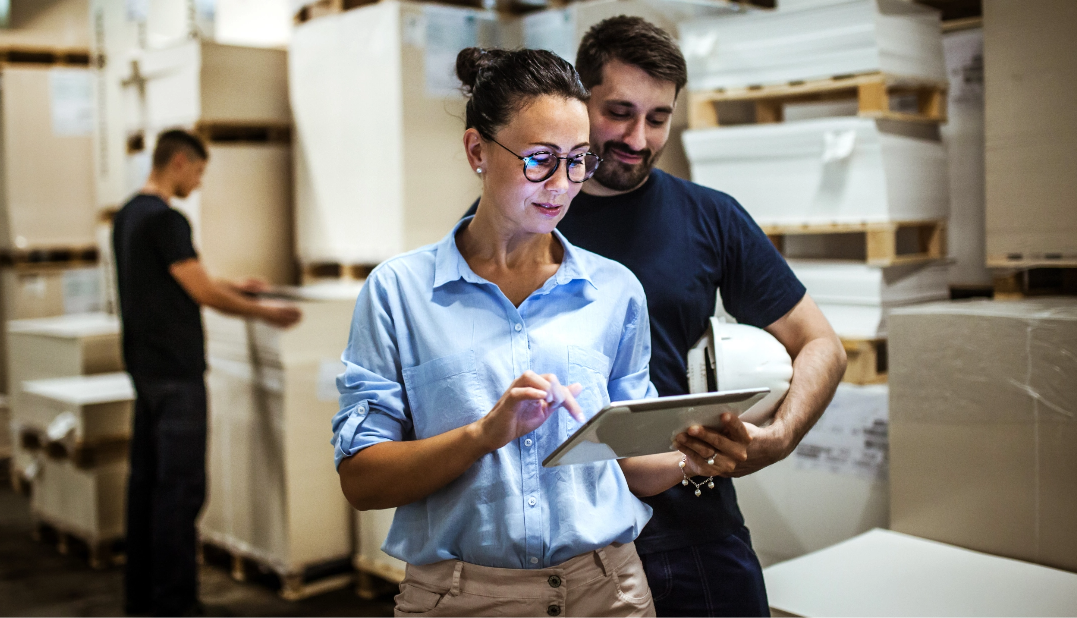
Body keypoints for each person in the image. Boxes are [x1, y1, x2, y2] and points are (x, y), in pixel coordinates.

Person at [332, 48, 752, 618]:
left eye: (579, 160)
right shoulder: (399, 293)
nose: (562, 184)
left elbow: (628, 462)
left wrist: (693, 457)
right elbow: (362, 483)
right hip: (458, 599)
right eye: (540, 159)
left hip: (609, 592)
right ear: (478, 150)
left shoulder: (615, 291)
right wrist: (483, 434)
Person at [467, 16, 848, 617]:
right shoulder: (518, 214)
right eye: (618, 112)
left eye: (659, 118)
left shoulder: (710, 217)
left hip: (695, 528)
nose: (638, 138)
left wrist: (777, 438)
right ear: (578, 100)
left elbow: (821, 343)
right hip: (562, 548)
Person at [113, 129, 302, 618]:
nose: (197, 184)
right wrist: (264, 312)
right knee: (181, 489)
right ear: (178, 162)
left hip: (144, 371)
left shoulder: (130, 215)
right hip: (177, 374)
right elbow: (201, 293)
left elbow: (177, 278)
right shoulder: (167, 219)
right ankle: (175, 603)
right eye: (197, 172)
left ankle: (142, 597)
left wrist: (232, 283)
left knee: (146, 484)